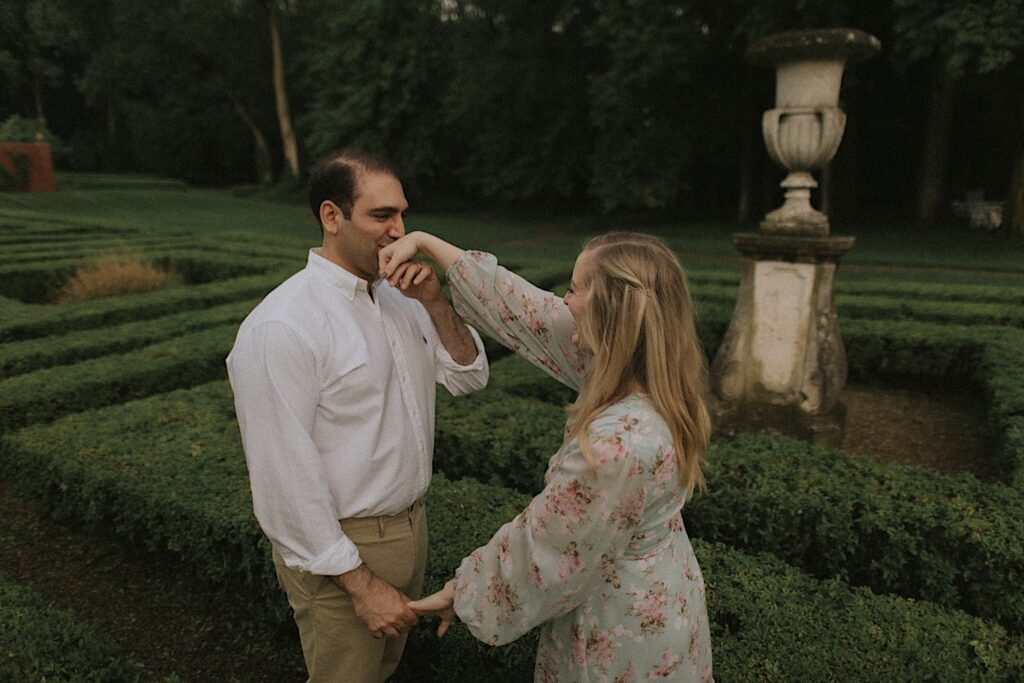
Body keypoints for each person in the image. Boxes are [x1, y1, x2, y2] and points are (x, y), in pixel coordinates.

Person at [379, 230, 714, 681]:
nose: (565, 301)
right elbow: (526, 311)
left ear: (609, 308)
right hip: (661, 600)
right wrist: (428, 243)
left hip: (621, 634)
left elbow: (547, 548)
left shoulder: (617, 445)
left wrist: (464, 592)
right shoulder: (648, 371)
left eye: (575, 289)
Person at [225, 150, 489, 683]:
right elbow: (283, 480)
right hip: (343, 552)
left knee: (384, 672)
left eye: (402, 215)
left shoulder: (404, 299)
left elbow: (468, 375)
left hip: (411, 528)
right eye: (382, 216)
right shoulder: (282, 326)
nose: (400, 232)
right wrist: (362, 585)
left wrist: (436, 302)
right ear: (331, 216)